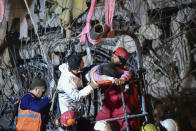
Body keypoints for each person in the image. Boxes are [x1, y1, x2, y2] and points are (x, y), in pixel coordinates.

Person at [90, 47, 140, 131]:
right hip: (108, 106)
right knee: (98, 124)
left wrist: (123, 79)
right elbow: (94, 73)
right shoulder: (106, 67)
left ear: (121, 61)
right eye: (113, 55)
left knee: (128, 124)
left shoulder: (122, 71)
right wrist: (111, 79)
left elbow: (128, 73)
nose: (112, 57)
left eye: (115, 56)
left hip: (121, 106)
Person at [57, 54, 97, 128]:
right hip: (68, 105)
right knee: (73, 123)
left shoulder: (72, 66)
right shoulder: (66, 81)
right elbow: (77, 96)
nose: (84, 64)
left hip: (75, 102)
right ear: (77, 68)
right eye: (82, 64)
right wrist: (91, 87)